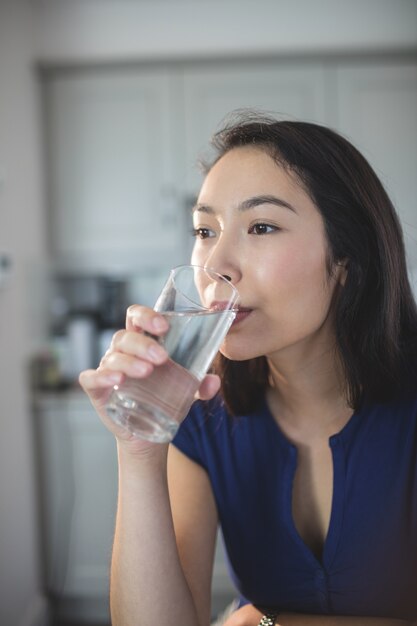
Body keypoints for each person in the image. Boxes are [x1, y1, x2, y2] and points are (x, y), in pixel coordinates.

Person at [79, 112, 417, 626]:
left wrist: (268, 622)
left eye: (261, 226)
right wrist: (140, 448)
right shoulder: (198, 407)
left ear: (346, 258)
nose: (217, 263)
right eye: (204, 229)